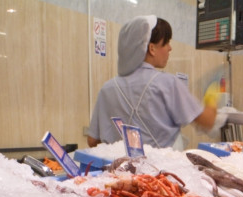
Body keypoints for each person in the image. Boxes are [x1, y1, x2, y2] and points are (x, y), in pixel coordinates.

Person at [87, 16, 217, 150]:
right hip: (160, 170)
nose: (170, 48)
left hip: (118, 169)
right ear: (152, 48)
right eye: (166, 43)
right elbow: (207, 121)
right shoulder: (168, 83)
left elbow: (92, 140)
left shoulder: (107, 88)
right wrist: (212, 99)